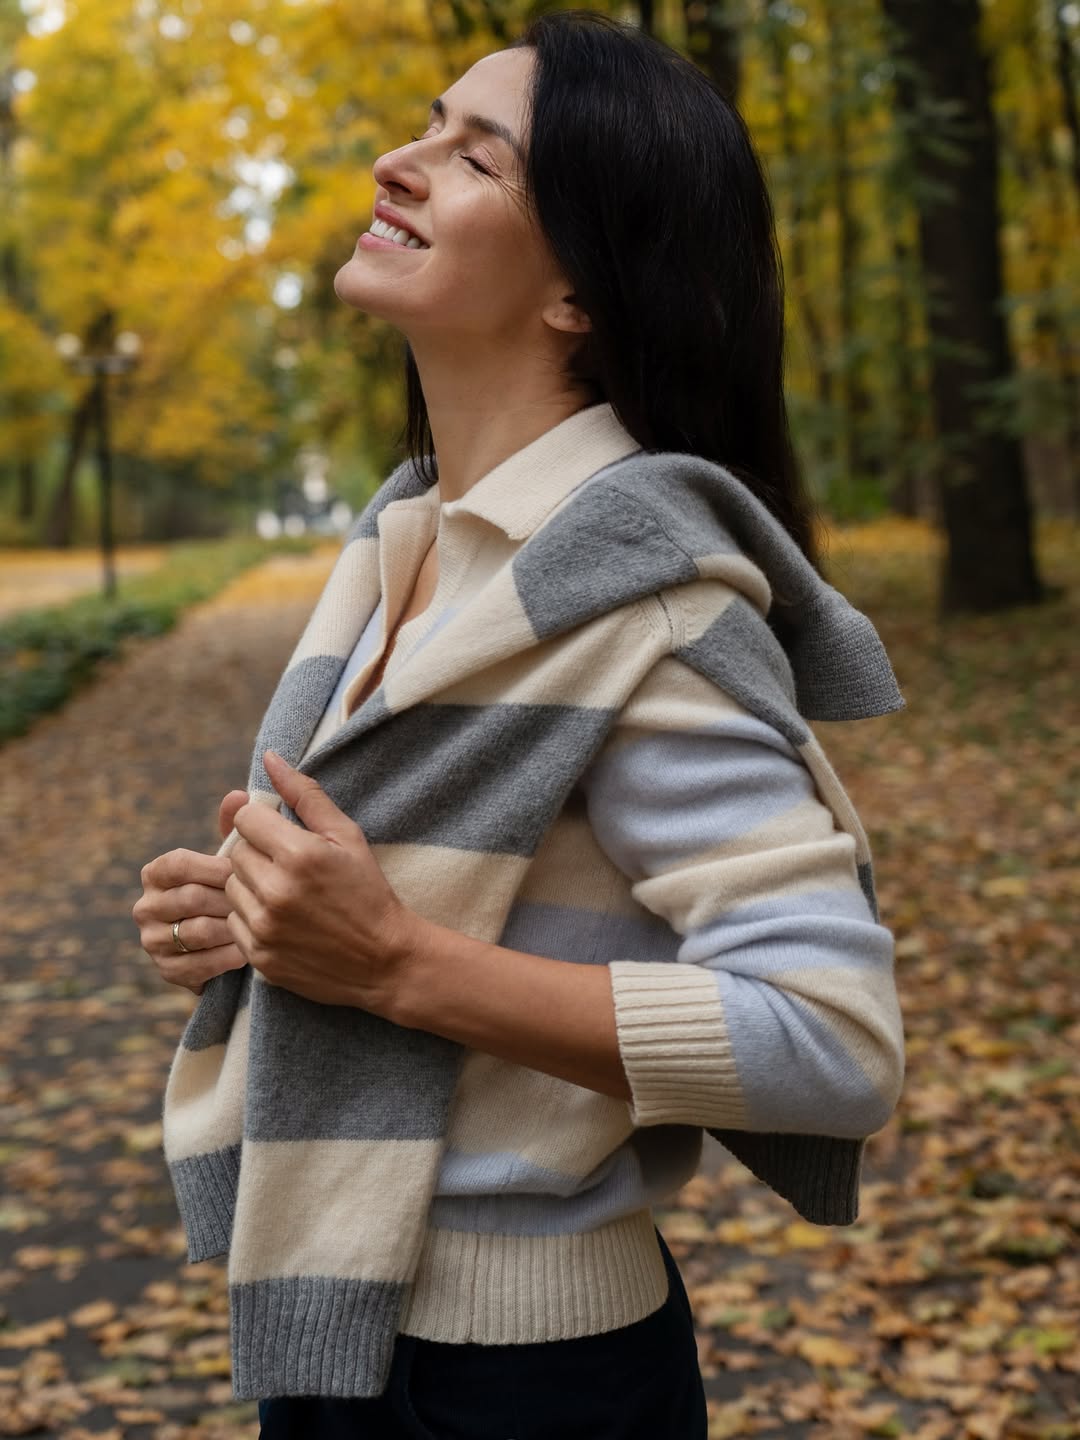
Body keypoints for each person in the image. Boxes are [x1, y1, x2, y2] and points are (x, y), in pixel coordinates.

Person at [132, 11, 906, 1438]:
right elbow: (475, 894)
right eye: (426, 126)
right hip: (345, 1337)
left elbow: (836, 1044)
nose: (400, 163)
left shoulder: (642, 595)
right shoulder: (407, 544)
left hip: (521, 1381)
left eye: (474, 156)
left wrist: (396, 961)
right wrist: (253, 924)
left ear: (580, 294)